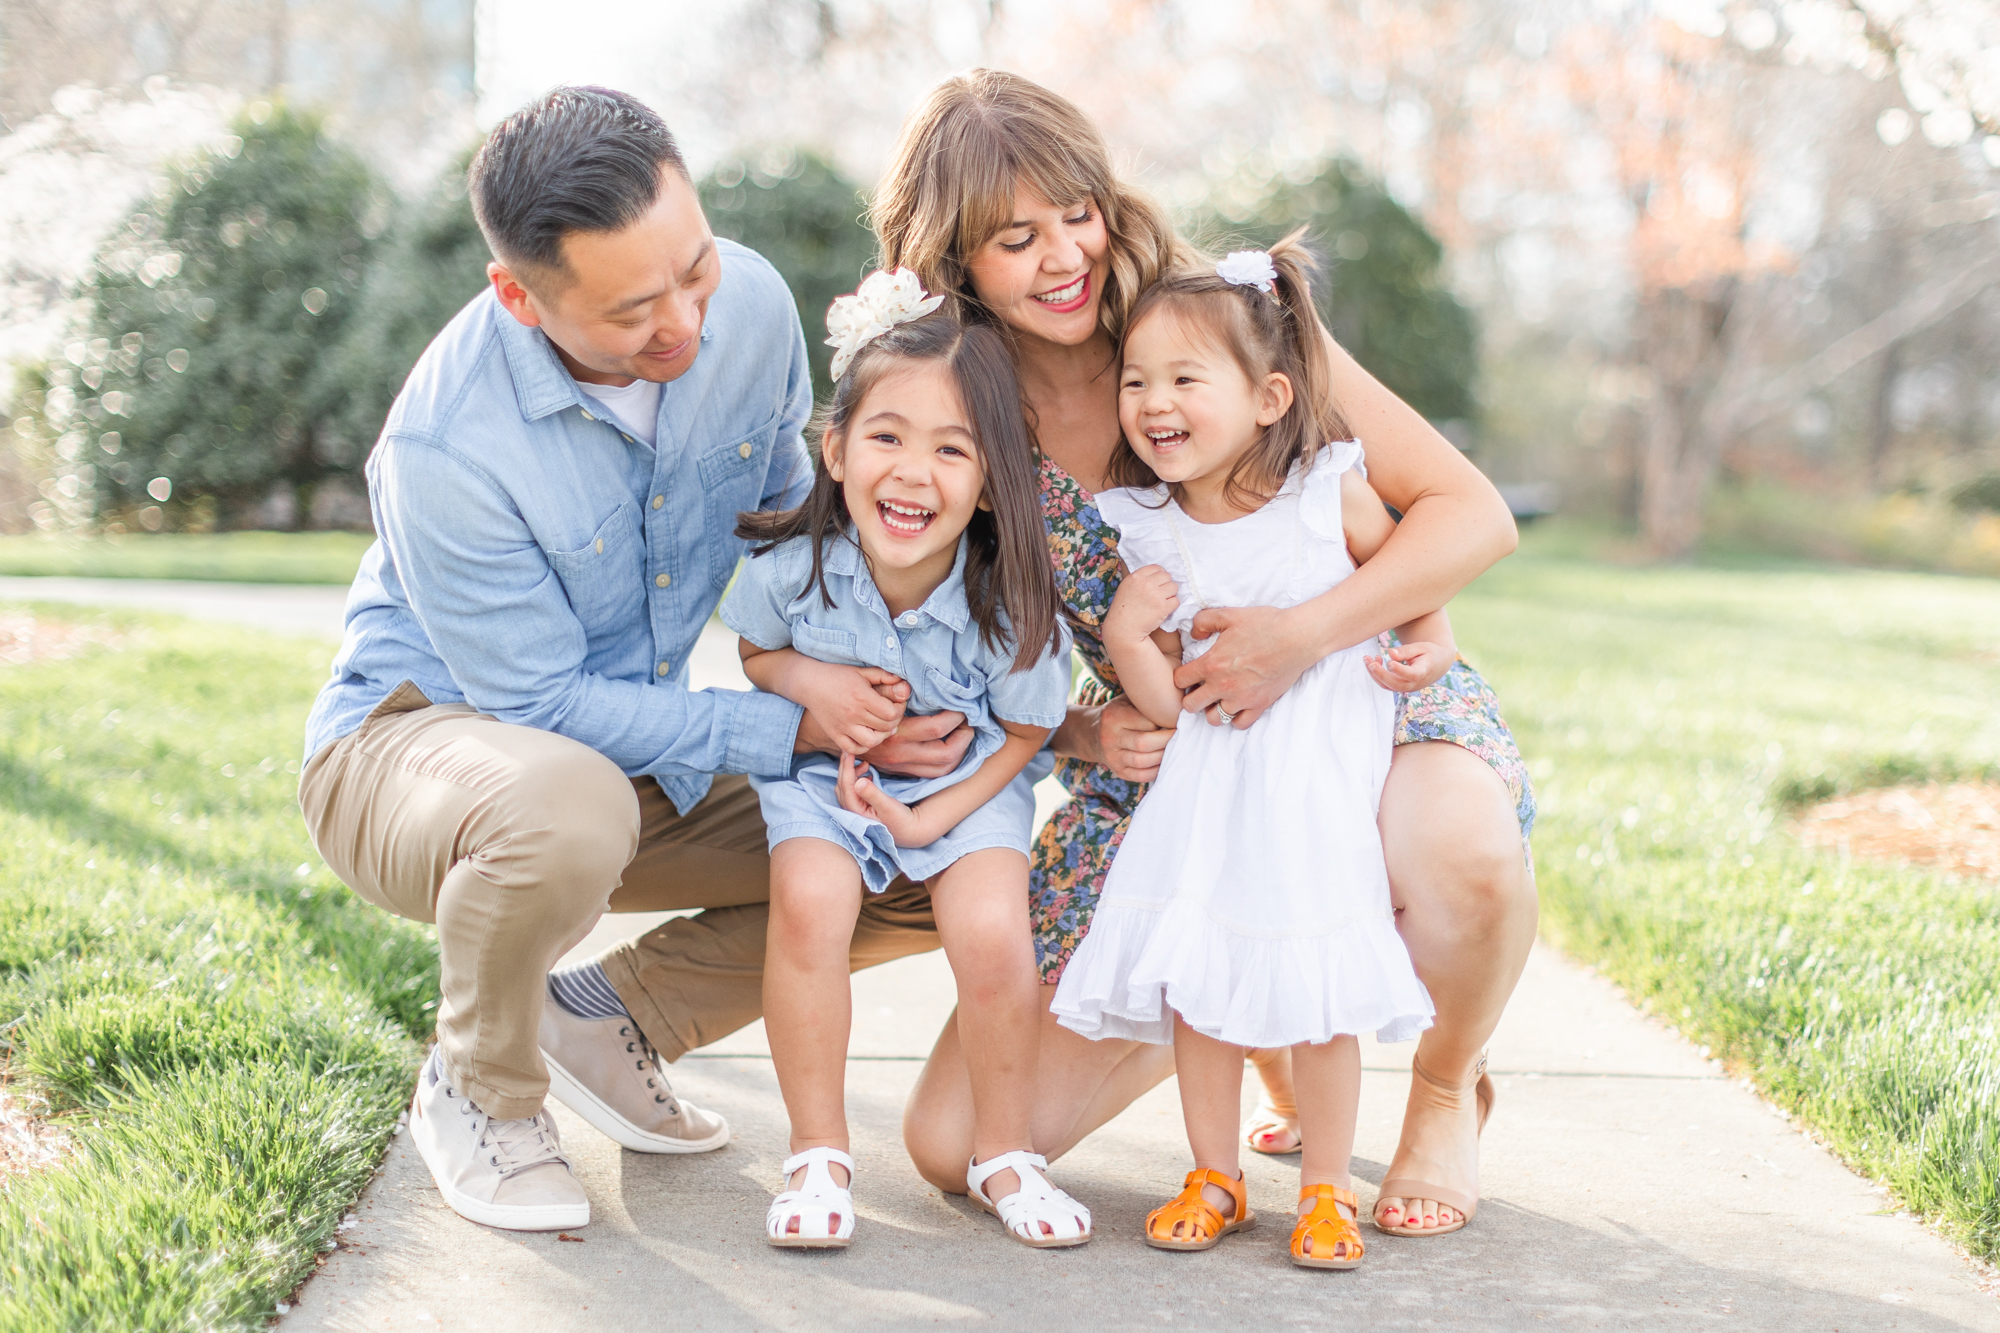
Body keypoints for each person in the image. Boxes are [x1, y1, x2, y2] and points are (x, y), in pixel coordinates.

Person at [877, 70, 1539, 1240]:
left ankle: (1442, 1084)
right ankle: (1258, 1022)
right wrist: (1082, 730)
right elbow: (945, 650)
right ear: (953, 263)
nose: (1060, 255)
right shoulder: (956, 410)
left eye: (1074, 212)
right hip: (1171, 752)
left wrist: (1293, 639)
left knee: (1467, 851)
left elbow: (1468, 511)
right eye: (1014, 238)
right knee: (955, 1142)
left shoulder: (1225, 319)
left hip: (1354, 693)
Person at [296, 87, 964, 1233]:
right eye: (632, 311)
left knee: (928, 834)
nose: (686, 326)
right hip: (410, 747)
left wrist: (870, 704)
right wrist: (790, 725)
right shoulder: (445, 448)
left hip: (624, 751)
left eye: (693, 269)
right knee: (565, 805)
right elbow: (541, 705)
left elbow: (798, 529)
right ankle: (480, 1087)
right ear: (519, 294)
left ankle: (612, 1017)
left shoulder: (745, 304)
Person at [1051, 239, 1447, 1269]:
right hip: (1209, 798)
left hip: (1310, 799)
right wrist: (1134, 642)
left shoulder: (1325, 493)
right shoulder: (1151, 530)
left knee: (1315, 999)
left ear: (1269, 396)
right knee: (1199, 987)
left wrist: (1430, 637)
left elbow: (1410, 567)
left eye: (1185, 378)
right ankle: (1213, 1170)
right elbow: (1172, 701)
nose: (1151, 400)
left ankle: (1324, 1187)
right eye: (1135, 380)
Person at [720, 277, 1091, 1250]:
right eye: (886, 437)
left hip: (970, 787)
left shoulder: (1007, 601)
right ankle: (816, 1152)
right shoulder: (793, 570)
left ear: (986, 479)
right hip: (828, 780)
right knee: (807, 903)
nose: (913, 471)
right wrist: (813, 684)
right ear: (835, 450)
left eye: (950, 448)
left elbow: (1021, 734)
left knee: (992, 934)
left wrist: (935, 818)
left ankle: (1004, 1151)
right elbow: (756, 656)